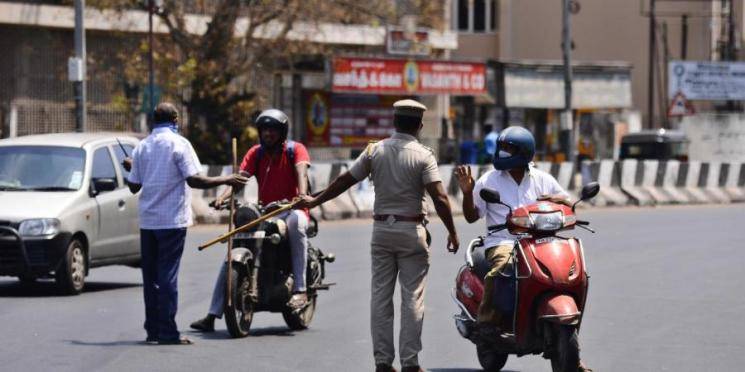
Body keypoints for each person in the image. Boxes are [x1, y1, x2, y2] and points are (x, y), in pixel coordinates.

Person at [295, 99, 459, 372]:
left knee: (380, 298)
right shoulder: (423, 155)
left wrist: (315, 200)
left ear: (394, 122)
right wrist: (452, 231)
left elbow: (344, 181)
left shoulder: (375, 151)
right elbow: (440, 197)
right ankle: (410, 363)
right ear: (419, 125)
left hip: (381, 231)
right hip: (411, 231)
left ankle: (382, 363)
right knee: (412, 299)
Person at [454, 126, 591, 371]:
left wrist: (563, 203)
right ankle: (487, 322)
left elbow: (566, 201)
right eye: (502, 148)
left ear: (524, 152)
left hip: (540, 240)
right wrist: (466, 192)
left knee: (570, 269)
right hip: (503, 241)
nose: (503, 153)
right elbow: (472, 216)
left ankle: (572, 352)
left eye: (509, 149)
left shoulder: (541, 179)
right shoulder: (489, 180)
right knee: (503, 266)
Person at [123, 102, 248, 345]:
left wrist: (131, 167)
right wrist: (227, 178)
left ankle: (153, 330)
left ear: (153, 120)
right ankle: (168, 332)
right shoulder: (180, 144)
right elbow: (195, 180)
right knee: (167, 277)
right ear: (175, 119)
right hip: (171, 221)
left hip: (149, 222)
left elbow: (133, 186)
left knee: (152, 280)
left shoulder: (142, 147)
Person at [190, 108, 312, 332]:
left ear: (282, 132)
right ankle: (212, 314)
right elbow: (239, 179)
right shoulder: (256, 153)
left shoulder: (296, 150)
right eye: (264, 130)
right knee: (236, 245)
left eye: (273, 130)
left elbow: (301, 172)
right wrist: (223, 198)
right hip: (266, 211)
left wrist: (301, 197)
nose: (268, 134)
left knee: (297, 224)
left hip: (291, 207)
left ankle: (300, 290)